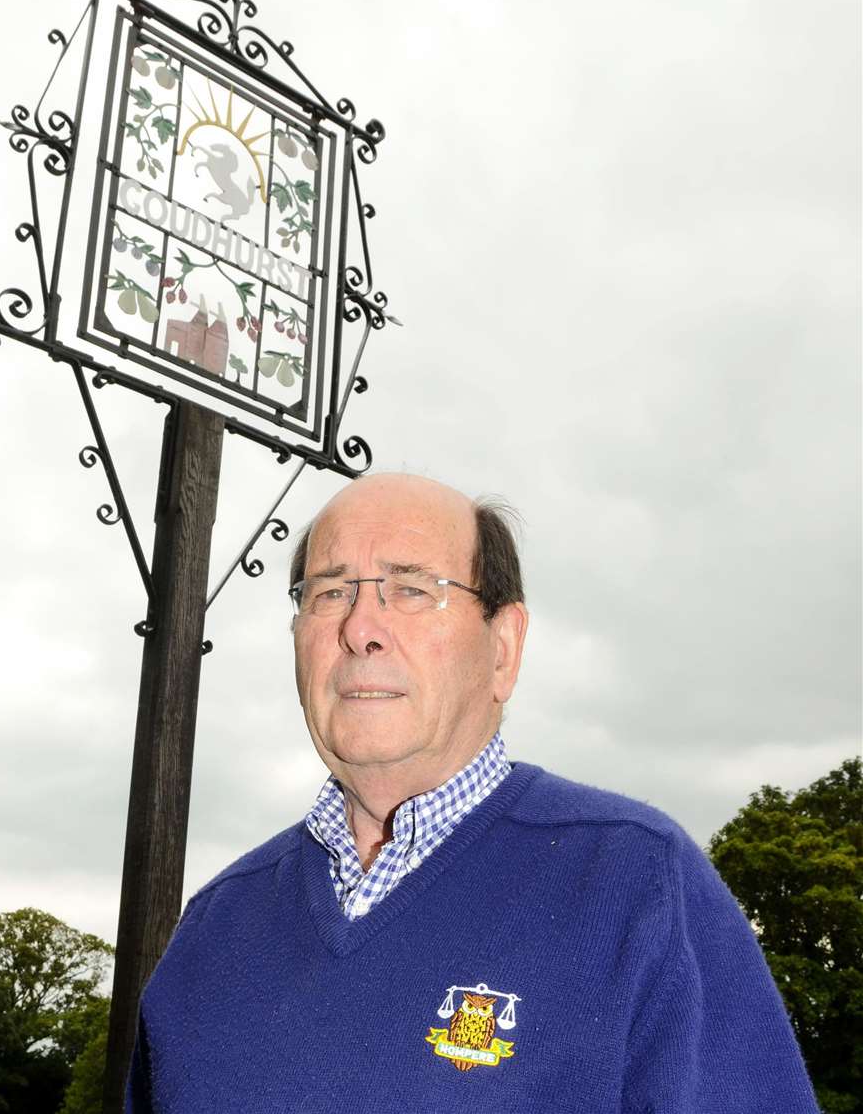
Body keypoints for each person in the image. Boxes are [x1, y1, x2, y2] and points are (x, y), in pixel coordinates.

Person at [128, 473, 819, 1112]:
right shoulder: (211, 933)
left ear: (503, 647)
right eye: (330, 591)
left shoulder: (638, 885)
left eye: (412, 588)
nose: (360, 627)